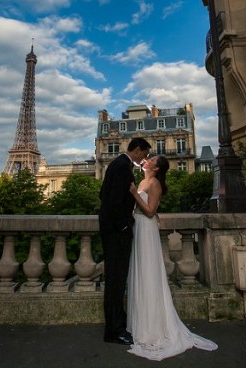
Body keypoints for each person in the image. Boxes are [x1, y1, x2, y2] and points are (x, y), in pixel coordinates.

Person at [127, 155, 218, 360]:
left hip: (146, 226)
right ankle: (142, 324)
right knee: (141, 272)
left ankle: (153, 328)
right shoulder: (144, 180)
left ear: (157, 168)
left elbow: (150, 211)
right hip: (139, 227)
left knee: (149, 272)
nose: (147, 160)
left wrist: (134, 193)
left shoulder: (154, 183)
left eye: (151, 160)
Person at [98, 137, 152, 345]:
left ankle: (116, 326)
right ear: (137, 150)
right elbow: (113, 201)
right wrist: (124, 224)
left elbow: (103, 194)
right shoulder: (123, 166)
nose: (145, 159)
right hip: (116, 232)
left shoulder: (117, 164)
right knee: (116, 281)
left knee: (115, 280)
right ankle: (114, 330)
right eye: (145, 154)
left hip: (111, 230)